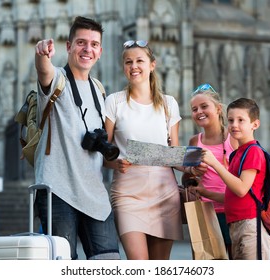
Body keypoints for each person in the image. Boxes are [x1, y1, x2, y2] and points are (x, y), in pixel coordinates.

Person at [33, 16, 120, 260]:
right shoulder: (58, 79)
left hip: (94, 192)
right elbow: (44, 70)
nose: (87, 49)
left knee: (108, 261)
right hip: (58, 190)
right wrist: (41, 53)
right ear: (69, 47)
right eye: (81, 42)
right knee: (64, 264)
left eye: (93, 44)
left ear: (100, 51)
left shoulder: (100, 89)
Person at [104, 40, 183, 260]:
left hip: (164, 193)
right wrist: (115, 162)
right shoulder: (114, 102)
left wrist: (193, 167)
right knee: (138, 265)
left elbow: (173, 154)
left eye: (140, 60)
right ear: (123, 67)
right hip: (128, 193)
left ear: (152, 65)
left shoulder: (169, 104)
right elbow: (103, 153)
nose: (134, 66)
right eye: (128, 62)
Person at [201, 97, 270, 260]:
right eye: (231, 120)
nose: (234, 125)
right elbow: (232, 195)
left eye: (241, 120)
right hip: (236, 224)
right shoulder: (237, 153)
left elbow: (241, 189)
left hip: (250, 225)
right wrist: (205, 192)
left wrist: (214, 163)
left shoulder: (253, 151)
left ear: (255, 124)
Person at [181, 83, 238, 259]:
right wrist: (193, 172)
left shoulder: (234, 137)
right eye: (194, 109)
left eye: (204, 106)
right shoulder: (194, 141)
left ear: (219, 109)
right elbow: (186, 179)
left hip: (233, 210)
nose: (199, 111)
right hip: (206, 212)